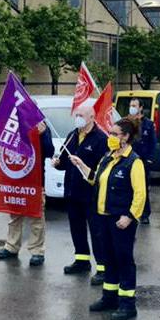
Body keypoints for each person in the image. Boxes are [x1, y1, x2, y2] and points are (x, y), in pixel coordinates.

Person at [69, 117, 147, 320]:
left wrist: (130, 216)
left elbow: (140, 193)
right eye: (110, 133)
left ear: (126, 137)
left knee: (124, 260)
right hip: (103, 217)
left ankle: (128, 304)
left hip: (121, 220)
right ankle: (109, 298)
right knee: (109, 259)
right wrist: (81, 165)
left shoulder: (134, 161)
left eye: (114, 134)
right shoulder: (108, 157)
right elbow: (96, 178)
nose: (110, 137)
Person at [52, 103, 108, 279]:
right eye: (77, 115)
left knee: (97, 231)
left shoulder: (100, 139)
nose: (78, 118)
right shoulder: (72, 135)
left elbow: (103, 169)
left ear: (92, 117)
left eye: (82, 115)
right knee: (77, 228)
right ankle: (82, 260)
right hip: (72, 191)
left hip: (91, 194)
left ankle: (103, 267)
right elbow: (63, 160)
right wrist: (58, 163)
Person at [0, 121, 55, 266]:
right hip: (16, 180)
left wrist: (43, 135)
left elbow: (49, 152)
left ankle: (37, 251)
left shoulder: (42, 127)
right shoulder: (12, 126)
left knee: (36, 216)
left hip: (35, 181)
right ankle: (11, 246)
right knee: (14, 215)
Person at [129, 99, 156, 225]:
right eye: (130, 105)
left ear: (140, 108)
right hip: (129, 160)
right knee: (128, 187)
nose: (131, 108)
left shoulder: (148, 124)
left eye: (134, 105)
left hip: (143, 161)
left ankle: (145, 214)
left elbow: (153, 143)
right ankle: (130, 212)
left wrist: (149, 159)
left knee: (143, 188)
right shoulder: (127, 122)